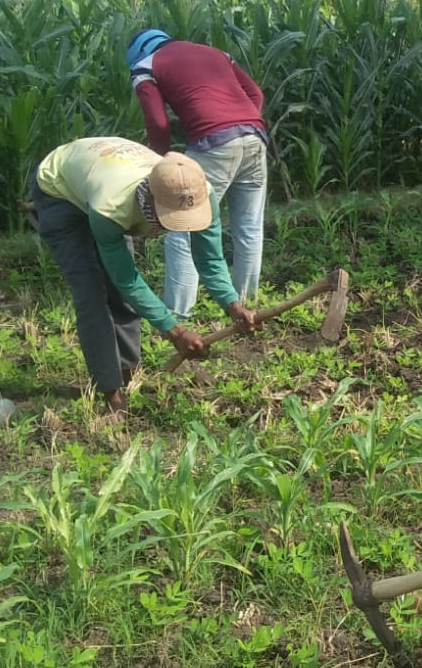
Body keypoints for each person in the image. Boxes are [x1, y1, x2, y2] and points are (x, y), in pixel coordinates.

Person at [30, 137, 257, 412]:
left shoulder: (198, 193)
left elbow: (209, 259)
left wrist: (233, 305)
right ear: (150, 201)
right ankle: (111, 393)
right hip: (60, 189)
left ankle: (129, 375)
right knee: (91, 291)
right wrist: (175, 332)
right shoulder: (112, 206)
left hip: (104, 173)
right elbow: (126, 279)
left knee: (121, 296)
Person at [127, 28, 269, 319]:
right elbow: (255, 93)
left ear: (138, 53)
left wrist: (159, 163)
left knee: (181, 228)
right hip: (255, 135)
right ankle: (246, 304)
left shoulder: (145, 66)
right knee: (249, 225)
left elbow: (158, 122)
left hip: (213, 142)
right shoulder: (216, 53)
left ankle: (178, 312)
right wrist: (239, 122)